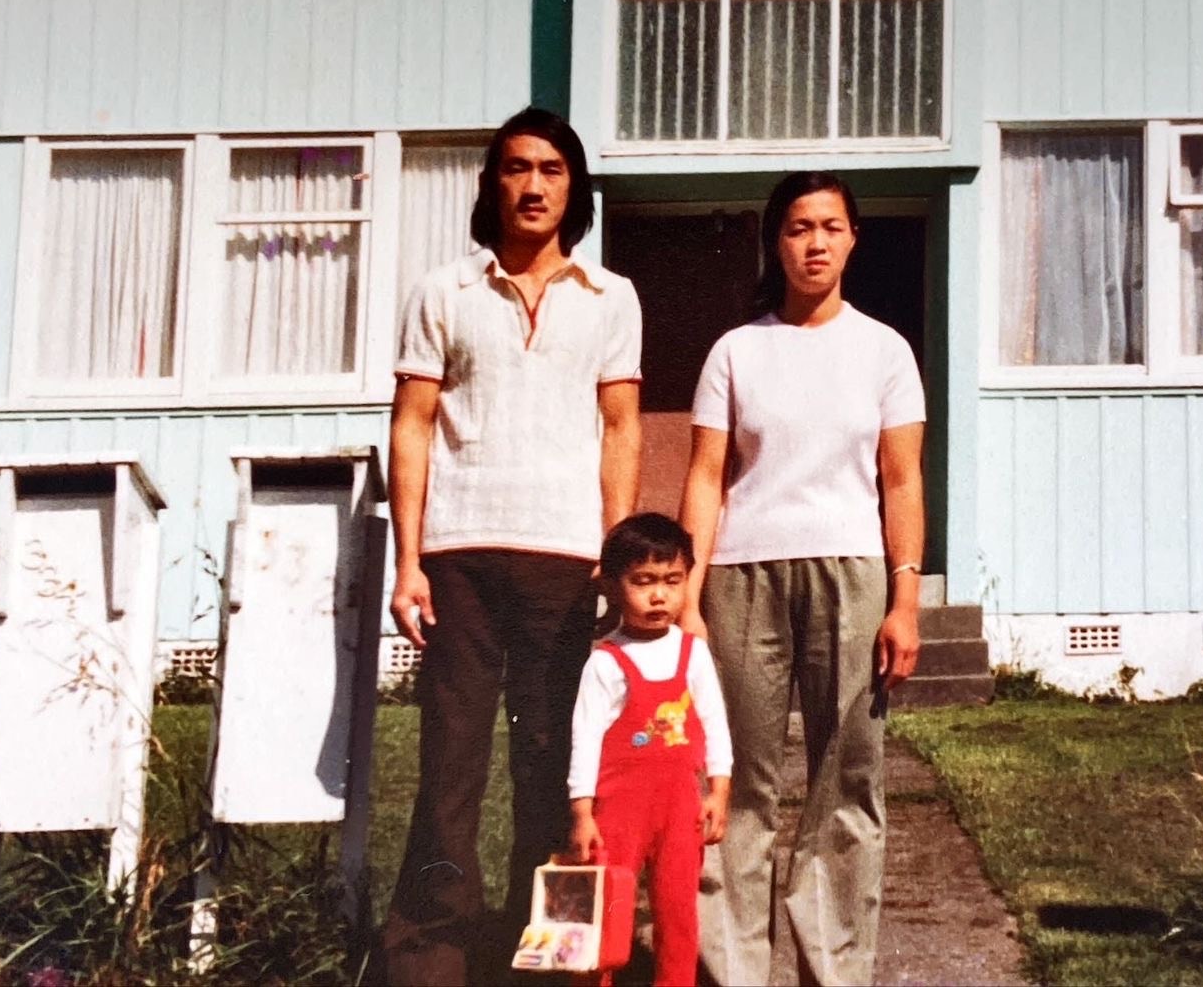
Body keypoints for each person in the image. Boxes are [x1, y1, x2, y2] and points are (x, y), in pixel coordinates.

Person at [378, 108, 643, 987]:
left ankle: (551, 960)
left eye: (553, 171)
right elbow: (411, 428)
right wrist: (408, 560)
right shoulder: (442, 292)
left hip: (565, 565)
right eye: (517, 169)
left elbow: (620, 431)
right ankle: (430, 959)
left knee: (553, 771)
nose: (533, 186)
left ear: (576, 188)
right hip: (459, 557)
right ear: (492, 184)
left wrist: (614, 552)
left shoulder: (612, 299)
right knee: (450, 772)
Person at [679, 172, 926, 986]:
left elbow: (900, 481)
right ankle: (734, 970)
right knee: (734, 782)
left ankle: (833, 969)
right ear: (774, 241)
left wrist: (905, 600)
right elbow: (707, 476)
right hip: (740, 575)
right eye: (796, 227)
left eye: (829, 226)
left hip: (852, 576)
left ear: (854, 238)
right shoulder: (736, 350)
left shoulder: (885, 350)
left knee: (844, 780)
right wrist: (687, 599)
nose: (814, 242)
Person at [566, 514, 733, 987]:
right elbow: (586, 739)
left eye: (671, 581)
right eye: (643, 582)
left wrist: (719, 791)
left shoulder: (692, 652)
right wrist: (583, 812)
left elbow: (715, 724)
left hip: (680, 809)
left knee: (678, 914)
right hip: (617, 811)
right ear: (615, 588)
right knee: (605, 912)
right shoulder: (605, 662)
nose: (659, 595)